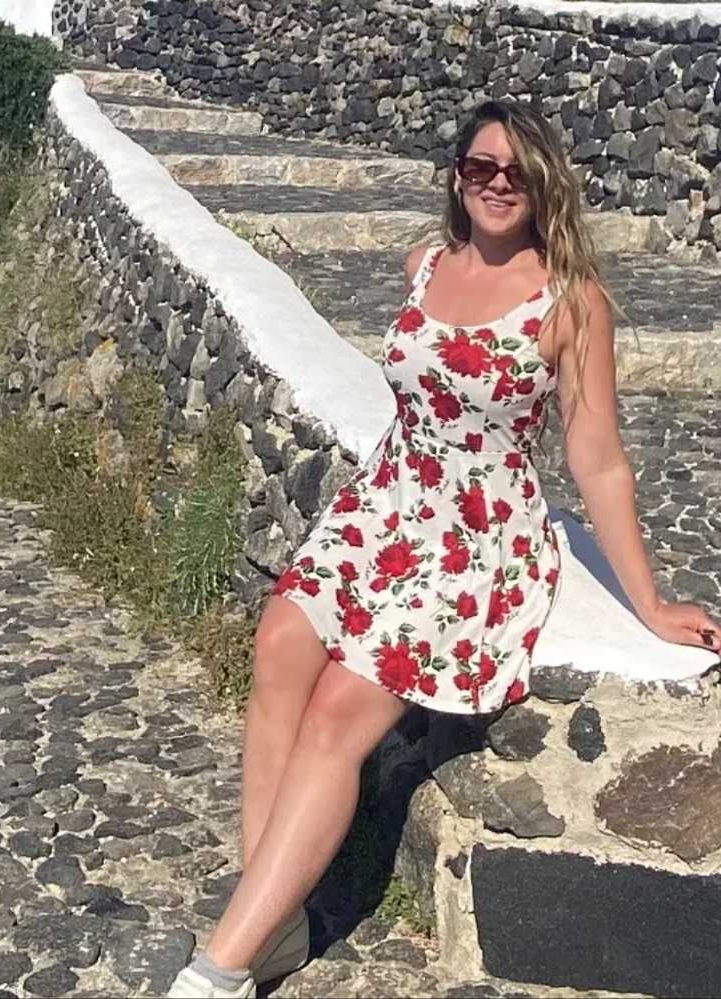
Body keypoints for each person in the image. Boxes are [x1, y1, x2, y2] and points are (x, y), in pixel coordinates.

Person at [166, 99, 721, 999]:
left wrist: (650, 602)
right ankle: (274, 921)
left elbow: (598, 457)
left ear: (544, 183)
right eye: (479, 167)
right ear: (457, 177)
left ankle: (221, 967)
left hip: (476, 537)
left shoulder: (571, 300)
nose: (497, 184)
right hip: (388, 502)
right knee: (280, 645)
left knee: (338, 716)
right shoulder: (423, 264)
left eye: (515, 171)